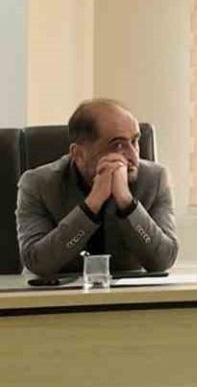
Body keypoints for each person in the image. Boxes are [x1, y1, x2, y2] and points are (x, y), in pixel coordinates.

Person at [16, 98, 178, 277]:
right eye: (118, 145)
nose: (133, 156)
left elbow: (163, 260)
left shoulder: (154, 179)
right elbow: (38, 263)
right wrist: (92, 204)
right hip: (55, 292)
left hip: (127, 293)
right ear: (79, 154)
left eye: (134, 141)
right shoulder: (38, 184)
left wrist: (127, 203)